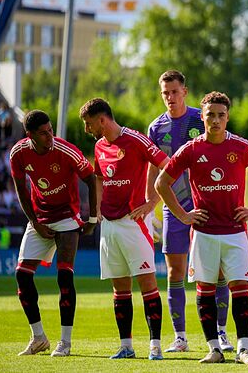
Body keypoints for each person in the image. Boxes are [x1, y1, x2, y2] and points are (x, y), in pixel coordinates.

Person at [155, 91, 248, 365]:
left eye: (221, 115)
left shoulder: (241, 147)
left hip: (235, 233)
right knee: (205, 290)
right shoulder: (191, 149)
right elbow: (161, 183)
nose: (216, 120)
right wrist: (183, 215)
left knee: (240, 289)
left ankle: (244, 349)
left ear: (227, 117)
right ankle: (214, 349)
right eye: (210, 114)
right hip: (203, 233)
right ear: (202, 117)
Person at [146, 70, 232, 353]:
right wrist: (150, 206)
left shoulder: (205, 117)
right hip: (174, 207)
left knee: (217, 270)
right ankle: (180, 337)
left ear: (184, 91)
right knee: (175, 271)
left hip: (205, 205)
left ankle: (221, 333)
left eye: (174, 91)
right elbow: (153, 167)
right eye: (165, 93)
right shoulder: (156, 127)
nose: (169, 97)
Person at [80, 98, 168, 360]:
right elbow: (98, 176)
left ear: (102, 120)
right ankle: (126, 346)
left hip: (134, 222)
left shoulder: (136, 140)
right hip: (109, 225)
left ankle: (155, 346)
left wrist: (152, 202)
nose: (87, 129)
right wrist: (96, 212)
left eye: (88, 124)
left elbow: (167, 166)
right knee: (119, 289)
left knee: (148, 284)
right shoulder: (98, 146)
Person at [10, 110, 97, 357]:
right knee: (22, 276)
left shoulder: (65, 150)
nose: (50, 136)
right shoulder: (18, 153)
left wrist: (91, 219)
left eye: (51, 130)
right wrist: (35, 222)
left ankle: (65, 343)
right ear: (30, 136)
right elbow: (21, 188)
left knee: (64, 277)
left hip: (68, 217)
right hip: (40, 218)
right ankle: (38, 338)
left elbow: (91, 180)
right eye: (44, 133)